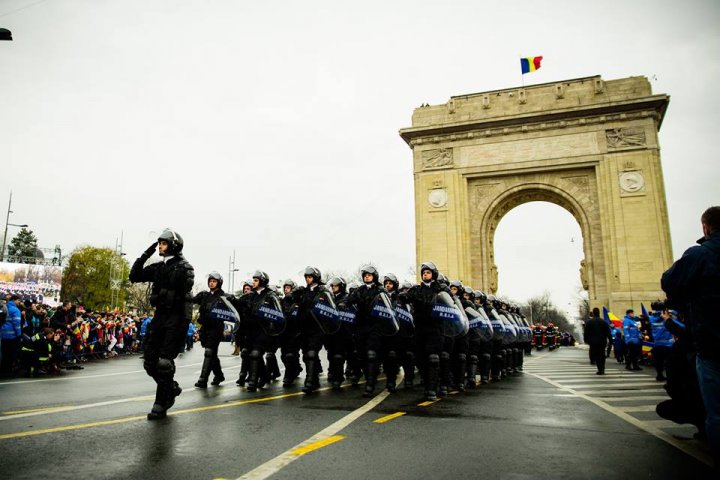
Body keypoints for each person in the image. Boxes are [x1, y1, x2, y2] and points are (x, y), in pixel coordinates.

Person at [661, 206, 720, 468]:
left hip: (713, 343)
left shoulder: (700, 254)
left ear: (705, 227)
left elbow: (670, 282)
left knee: (717, 412)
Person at [129, 229, 195, 420]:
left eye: (163, 243)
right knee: (149, 362)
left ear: (173, 245)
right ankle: (171, 388)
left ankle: (161, 402)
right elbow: (134, 276)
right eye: (159, 243)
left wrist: (183, 324)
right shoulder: (158, 267)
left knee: (165, 362)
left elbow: (185, 296)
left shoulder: (184, 268)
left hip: (175, 318)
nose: (160, 246)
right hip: (159, 317)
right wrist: (146, 253)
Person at [192, 272, 231, 388]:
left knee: (209, 352)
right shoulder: (204, 295)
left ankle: (203, 379)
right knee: (212, 354)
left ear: (219, 283)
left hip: (216, 328)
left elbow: (233, 310)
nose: (211, 283)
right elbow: (191, 300)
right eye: (210, 281)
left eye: (214, 281)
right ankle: (219, 375)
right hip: (205, 328)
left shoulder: (224, 296)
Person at [649, 301, 674, 381]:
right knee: (669, 361)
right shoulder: (666, 316)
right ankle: (669, 377)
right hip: (668, 343)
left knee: (659, 361)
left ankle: (659, 375)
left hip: (657, 342)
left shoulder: (651, 318)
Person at [584, 307, 612, 375]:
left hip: (593, 341)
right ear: (599, 313)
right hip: (602, 341)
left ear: (593, 313)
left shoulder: (589, 322)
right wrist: (610, 340)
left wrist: (586, 340)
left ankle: (599, 369)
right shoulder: (603, 322)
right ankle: (602, 368)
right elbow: (608, 332)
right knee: (602, 354)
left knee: (596, 355)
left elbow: (586, 332)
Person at [0, 295, 22, 376]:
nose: (20, 302)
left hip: (3, 334)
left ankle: (2, 369)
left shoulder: (4, 307)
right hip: (12, 335)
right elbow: (17, 324)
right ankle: (8, 371)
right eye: (19, 301)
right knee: (11, 353)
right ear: (15, 300)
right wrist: (19, 334)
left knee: (4, 352)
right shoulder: (15, 310)